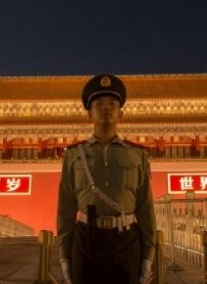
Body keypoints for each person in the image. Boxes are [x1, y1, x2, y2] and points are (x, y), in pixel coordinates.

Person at [56, 74, 157, 284]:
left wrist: (148, 255)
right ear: (89, 114)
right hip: (85, 241)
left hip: (126, 241)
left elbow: (146, 208)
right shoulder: (74, 155)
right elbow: (65, 208)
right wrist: (64, 255)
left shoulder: (137, 155)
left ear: (121, 114)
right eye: (99, 103)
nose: (106, 108)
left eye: (112, 103)